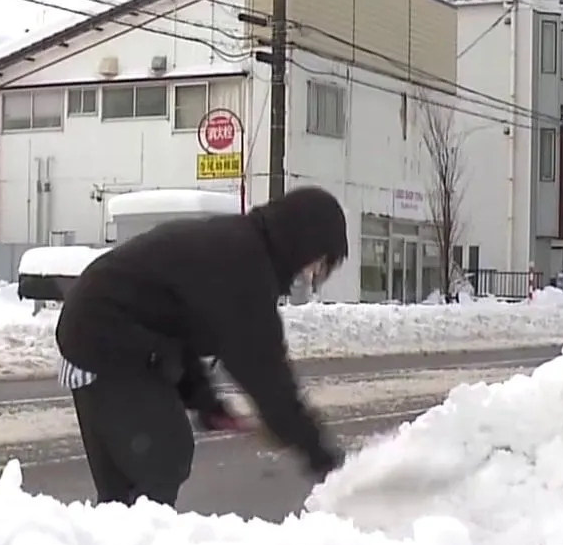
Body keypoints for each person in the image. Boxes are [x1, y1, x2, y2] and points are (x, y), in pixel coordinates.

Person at [54, 185, 351, 507]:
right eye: (319, 261)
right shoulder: (244, 266)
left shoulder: (237, 247)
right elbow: (265, 373)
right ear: (305, 240)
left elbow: (181, 323)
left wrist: (205, 402)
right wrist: (322, 457)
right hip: (105, 335)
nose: (311, 274)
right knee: (163, 453)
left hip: (96, 327)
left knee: (126, 486)